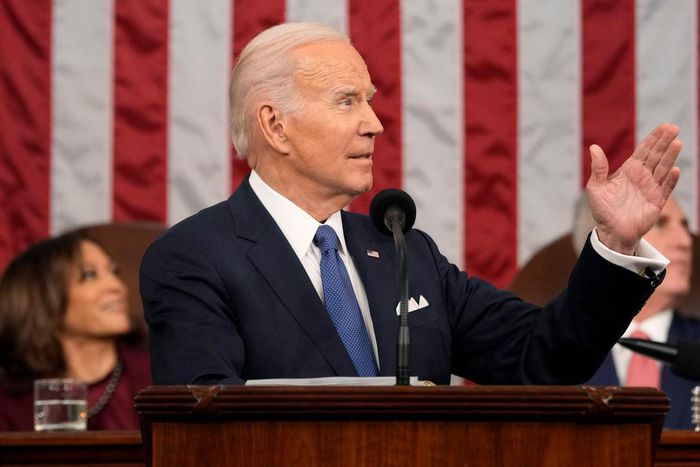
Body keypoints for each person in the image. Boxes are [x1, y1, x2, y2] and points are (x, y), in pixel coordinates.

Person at [141, 22, 682, 386]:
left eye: (370, 102)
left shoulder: (405, 252)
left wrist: (613, 244)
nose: (374, 124)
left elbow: (543, 356)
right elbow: (204, 435)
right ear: (275, 125)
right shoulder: (194, 259)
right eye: (347, 101)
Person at [0, 229, 151, 431]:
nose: (116, 286)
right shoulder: (9, 397)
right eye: (89, 275)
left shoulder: (155, 374)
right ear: (44, 298)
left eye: (114, 272)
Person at [585, 196, 700, 429]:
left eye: (684, 226)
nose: (685, 241)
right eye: (661, 223)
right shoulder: (555, 348)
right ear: (605, 246)